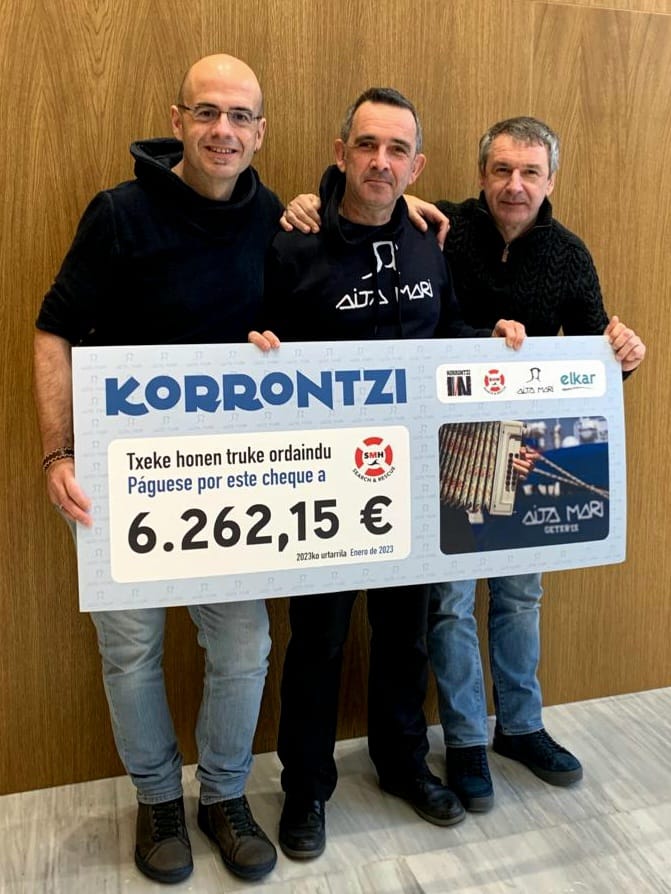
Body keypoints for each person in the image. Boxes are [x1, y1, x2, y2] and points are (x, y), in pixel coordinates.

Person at [280, 115, 646, 813]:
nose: (515, 185)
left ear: (550, 181)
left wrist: (620, 355)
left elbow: (591, 351)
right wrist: (313, 199)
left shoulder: (569, 254)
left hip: (530, 443)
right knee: (445, 605)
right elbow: (377, 206)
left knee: (519, 595)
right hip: (441, 448)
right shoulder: (439, 229)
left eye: (530, 172)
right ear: (480, 176)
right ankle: (467, 742)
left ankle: (521, 727)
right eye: (502, 170)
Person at [249, 88, 525, 860]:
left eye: (396, 150)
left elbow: (444, 330)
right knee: (318, 640)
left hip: (413, 478)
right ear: (340, 153)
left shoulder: (429, 241)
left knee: (403, 635)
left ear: (416, 166)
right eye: (366, 145)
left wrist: (489, 336)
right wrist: (255, 352)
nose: (380, 161)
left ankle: (401, 762)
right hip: (321, 485)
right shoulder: (293, 242)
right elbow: (254, 348)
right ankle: (306, 787)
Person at [33, 54, 283, 885]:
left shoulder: (274, 217)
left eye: (239, 116)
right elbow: (54, 331)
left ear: (259, 132)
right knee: (132, 651)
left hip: (231, 482)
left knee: (244, 644)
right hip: (120, 479)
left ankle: (224, 796)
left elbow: (354, 228)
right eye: (206, 112)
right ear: (177, 122)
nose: (223, 130)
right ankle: (157, 803)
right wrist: (58, 452)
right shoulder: (119, 214)